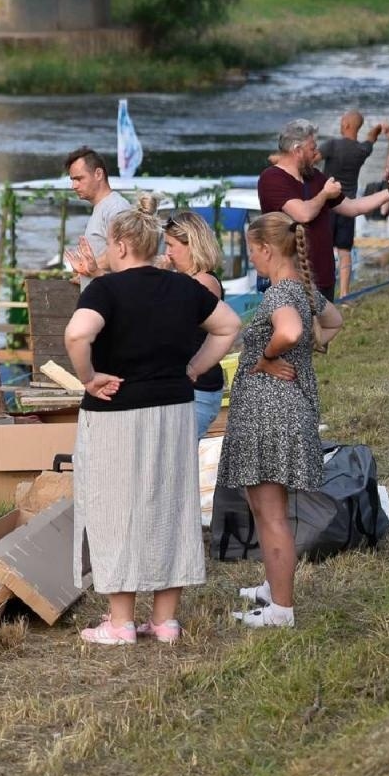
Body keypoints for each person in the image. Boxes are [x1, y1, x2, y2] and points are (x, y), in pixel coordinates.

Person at [65, 200, 241, 646]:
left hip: (116, 413)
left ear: (122, 246)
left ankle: (121, 621)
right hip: (175, 408)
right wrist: (194, 367)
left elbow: (77, 333)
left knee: (114, 508)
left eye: (109, 245)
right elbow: (229, 326)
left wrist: (88, 377)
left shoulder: (105, 290)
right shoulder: (183, 287)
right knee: (172, 505)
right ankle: (165, 621)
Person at [220, 213, 344, 629]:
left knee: (271, 513)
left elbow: (288, 331)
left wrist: (268, 356)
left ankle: (281, 611)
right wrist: (309, 345)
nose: (251, 259)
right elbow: (334, 321)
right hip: (286, 410)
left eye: (251, 251)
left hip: (270, 413)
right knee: (263, 505)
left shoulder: (279, 294)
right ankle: (273, 586)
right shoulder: (302, 289)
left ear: (266, 249)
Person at [257, 119, 389, 303]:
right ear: (297, 150)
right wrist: (325, 194)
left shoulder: (315, 177)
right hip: (289, 282)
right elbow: (303, 214)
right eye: (312, 148)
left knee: (328, 321)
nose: (316, 152)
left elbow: (353, 207)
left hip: (323, 278)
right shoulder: (271, 178)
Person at [161, 211, 229, 441]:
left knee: (179, 453)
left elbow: (171, 323)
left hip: (197, 387)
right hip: (188, 386)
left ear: (191, 244)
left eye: (171, 245)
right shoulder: (186, 281)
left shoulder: (203, 282)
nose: (167, 253)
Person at [317, 112, 385, 299]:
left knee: (323, 250)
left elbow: (311, 159)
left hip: (328, 206)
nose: (341, 125)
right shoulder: (362, 150)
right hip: (350, 207)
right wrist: (378, 129)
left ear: (346, 124)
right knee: (345, 251)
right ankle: (345, 294)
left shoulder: (332, 145)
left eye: (342, 122)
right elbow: (371, 139)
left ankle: (322, 293)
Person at [62, 146, 133, 287]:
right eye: (72, 180)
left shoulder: (116, 207)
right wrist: (84, 274)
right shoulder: (102, 207)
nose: (73, 186)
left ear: (98, 174)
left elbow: (124, 251)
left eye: (79, 179)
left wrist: (84, 267)